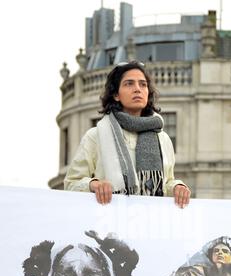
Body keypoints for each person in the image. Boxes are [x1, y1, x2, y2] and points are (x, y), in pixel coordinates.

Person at [64, 61, 191, 208]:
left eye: (143, 85)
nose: (137, 89)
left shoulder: (162, 138)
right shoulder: (95, 136)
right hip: (109, 222)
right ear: (116, 95)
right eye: (129, 84)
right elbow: (71, 183)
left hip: (150, 223)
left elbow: (165, 183)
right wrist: (94, 185)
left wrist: (177, 187)